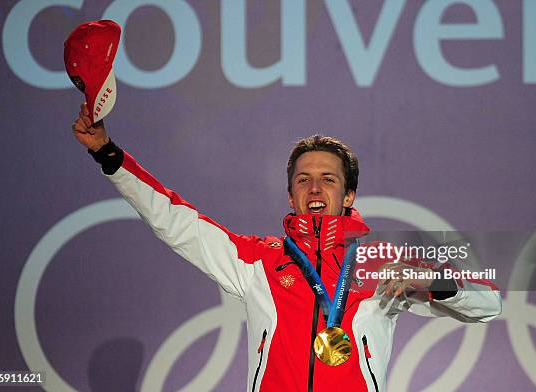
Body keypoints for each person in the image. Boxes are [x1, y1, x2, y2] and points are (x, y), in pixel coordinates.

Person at [72, 103, 501, 392]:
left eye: (328, 179)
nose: (315, 187)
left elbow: (490, 303)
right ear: (291, 196)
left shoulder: (378, 264)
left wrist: (438, 281)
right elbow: (174, 219)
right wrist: (109, 154)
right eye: (303, 179)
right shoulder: (258, 259)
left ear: (348, 195)